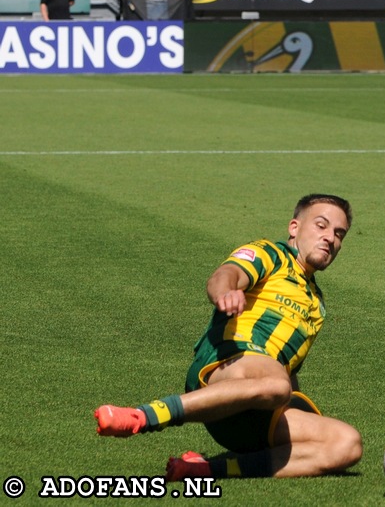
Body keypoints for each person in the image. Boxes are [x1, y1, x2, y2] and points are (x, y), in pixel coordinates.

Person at [94, 194, 363, 480]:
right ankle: (145, 416)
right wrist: (225, 293)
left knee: (346, 444)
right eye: (321, 225)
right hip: (223, 367)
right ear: (294, 227)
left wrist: (305, 423)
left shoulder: (317, 303)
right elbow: (226, 273)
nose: (330, 238)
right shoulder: (271, 254)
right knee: (276, 384)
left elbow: (287, 372)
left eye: (338, 233)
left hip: (253, 410)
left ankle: (206, 469)